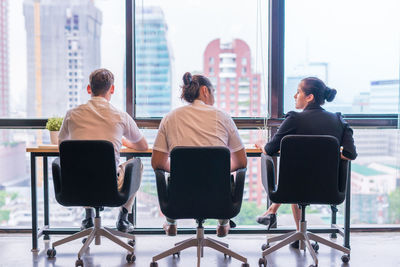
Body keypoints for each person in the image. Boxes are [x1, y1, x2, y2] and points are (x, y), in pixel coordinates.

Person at [255, 77, 357, 248]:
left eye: (298, 92)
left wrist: (260, 145)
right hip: (329, 189)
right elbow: (350, 154)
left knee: (296, 177)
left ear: (309, 97)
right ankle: (297, 233)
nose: (295, 96)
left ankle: (278, 215)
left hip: (291, 188)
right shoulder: (339, 120)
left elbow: (270, 149)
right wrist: (329, 154)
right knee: (299, 174)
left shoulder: (294, 119)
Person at [151, 72, 247, 237]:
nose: (214, 97)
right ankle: (223, 224)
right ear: (205, 91)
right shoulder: (223, 117)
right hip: (219, 200)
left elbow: (157, 162)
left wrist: (181, 169)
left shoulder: (170, 117)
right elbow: (241, 161)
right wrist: (218, 169)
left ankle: (171, 222)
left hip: (179, 200)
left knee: (172, 180)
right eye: (213, 92)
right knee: (224, 180)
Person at [58, 68, 148, 233]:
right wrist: (122, 141)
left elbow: (62, 145)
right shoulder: (120, 116)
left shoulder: (71, 114)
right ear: (112, 89)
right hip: (110, 186)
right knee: (138, 165)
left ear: (89, 89)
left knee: (82, 167)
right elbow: (143, 146)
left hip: (77, 185)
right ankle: (123, 216)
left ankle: (88, 215)